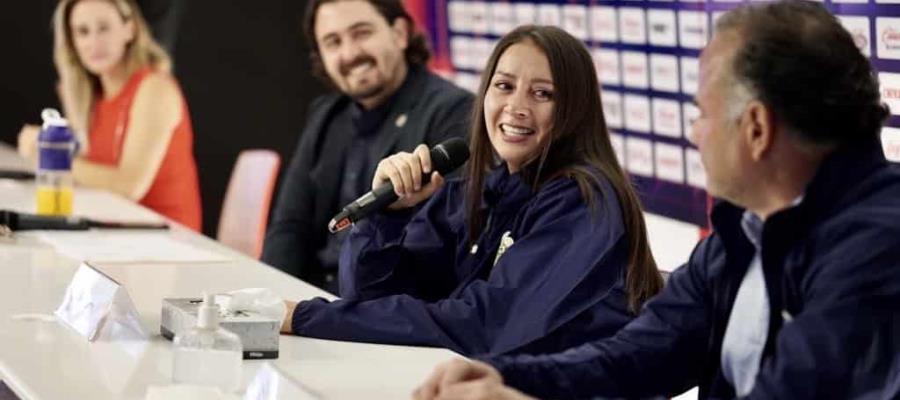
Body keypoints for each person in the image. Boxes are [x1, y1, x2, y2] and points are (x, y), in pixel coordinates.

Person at [413, 1, 900, 399]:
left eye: (701, 114)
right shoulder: (743, 230)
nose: (694, 136)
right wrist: (504, 379)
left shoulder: (876, 247)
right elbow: (643, 353)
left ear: (756, 129)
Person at [279, 25, 664, 358]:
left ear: (575, 109)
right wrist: (388, 217)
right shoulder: (476, 192)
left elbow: (484, 326)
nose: (516, 107)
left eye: (542, 94)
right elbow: (367, 301)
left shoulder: (583, 200)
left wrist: (304, 317)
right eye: (504, 86)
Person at [260, 0, 472, 292]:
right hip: (312, 296)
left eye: (362, 33)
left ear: (399, 34)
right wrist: (270, 299)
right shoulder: (327, 114)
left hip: (380, 305)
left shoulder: (453, 111)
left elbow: (442, 246)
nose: (349, 53)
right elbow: (289, 226)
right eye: (333, 42)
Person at [18, 0, 201, 230]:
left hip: (168, 238)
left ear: (130, 29)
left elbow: (130, 185)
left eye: (104, 28)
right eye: (83, 32)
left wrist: (51, 155)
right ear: (72, 42)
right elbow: (85, 169)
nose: (94, 42)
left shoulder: (154, 89)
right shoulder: (89, 96)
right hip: (114, 229)